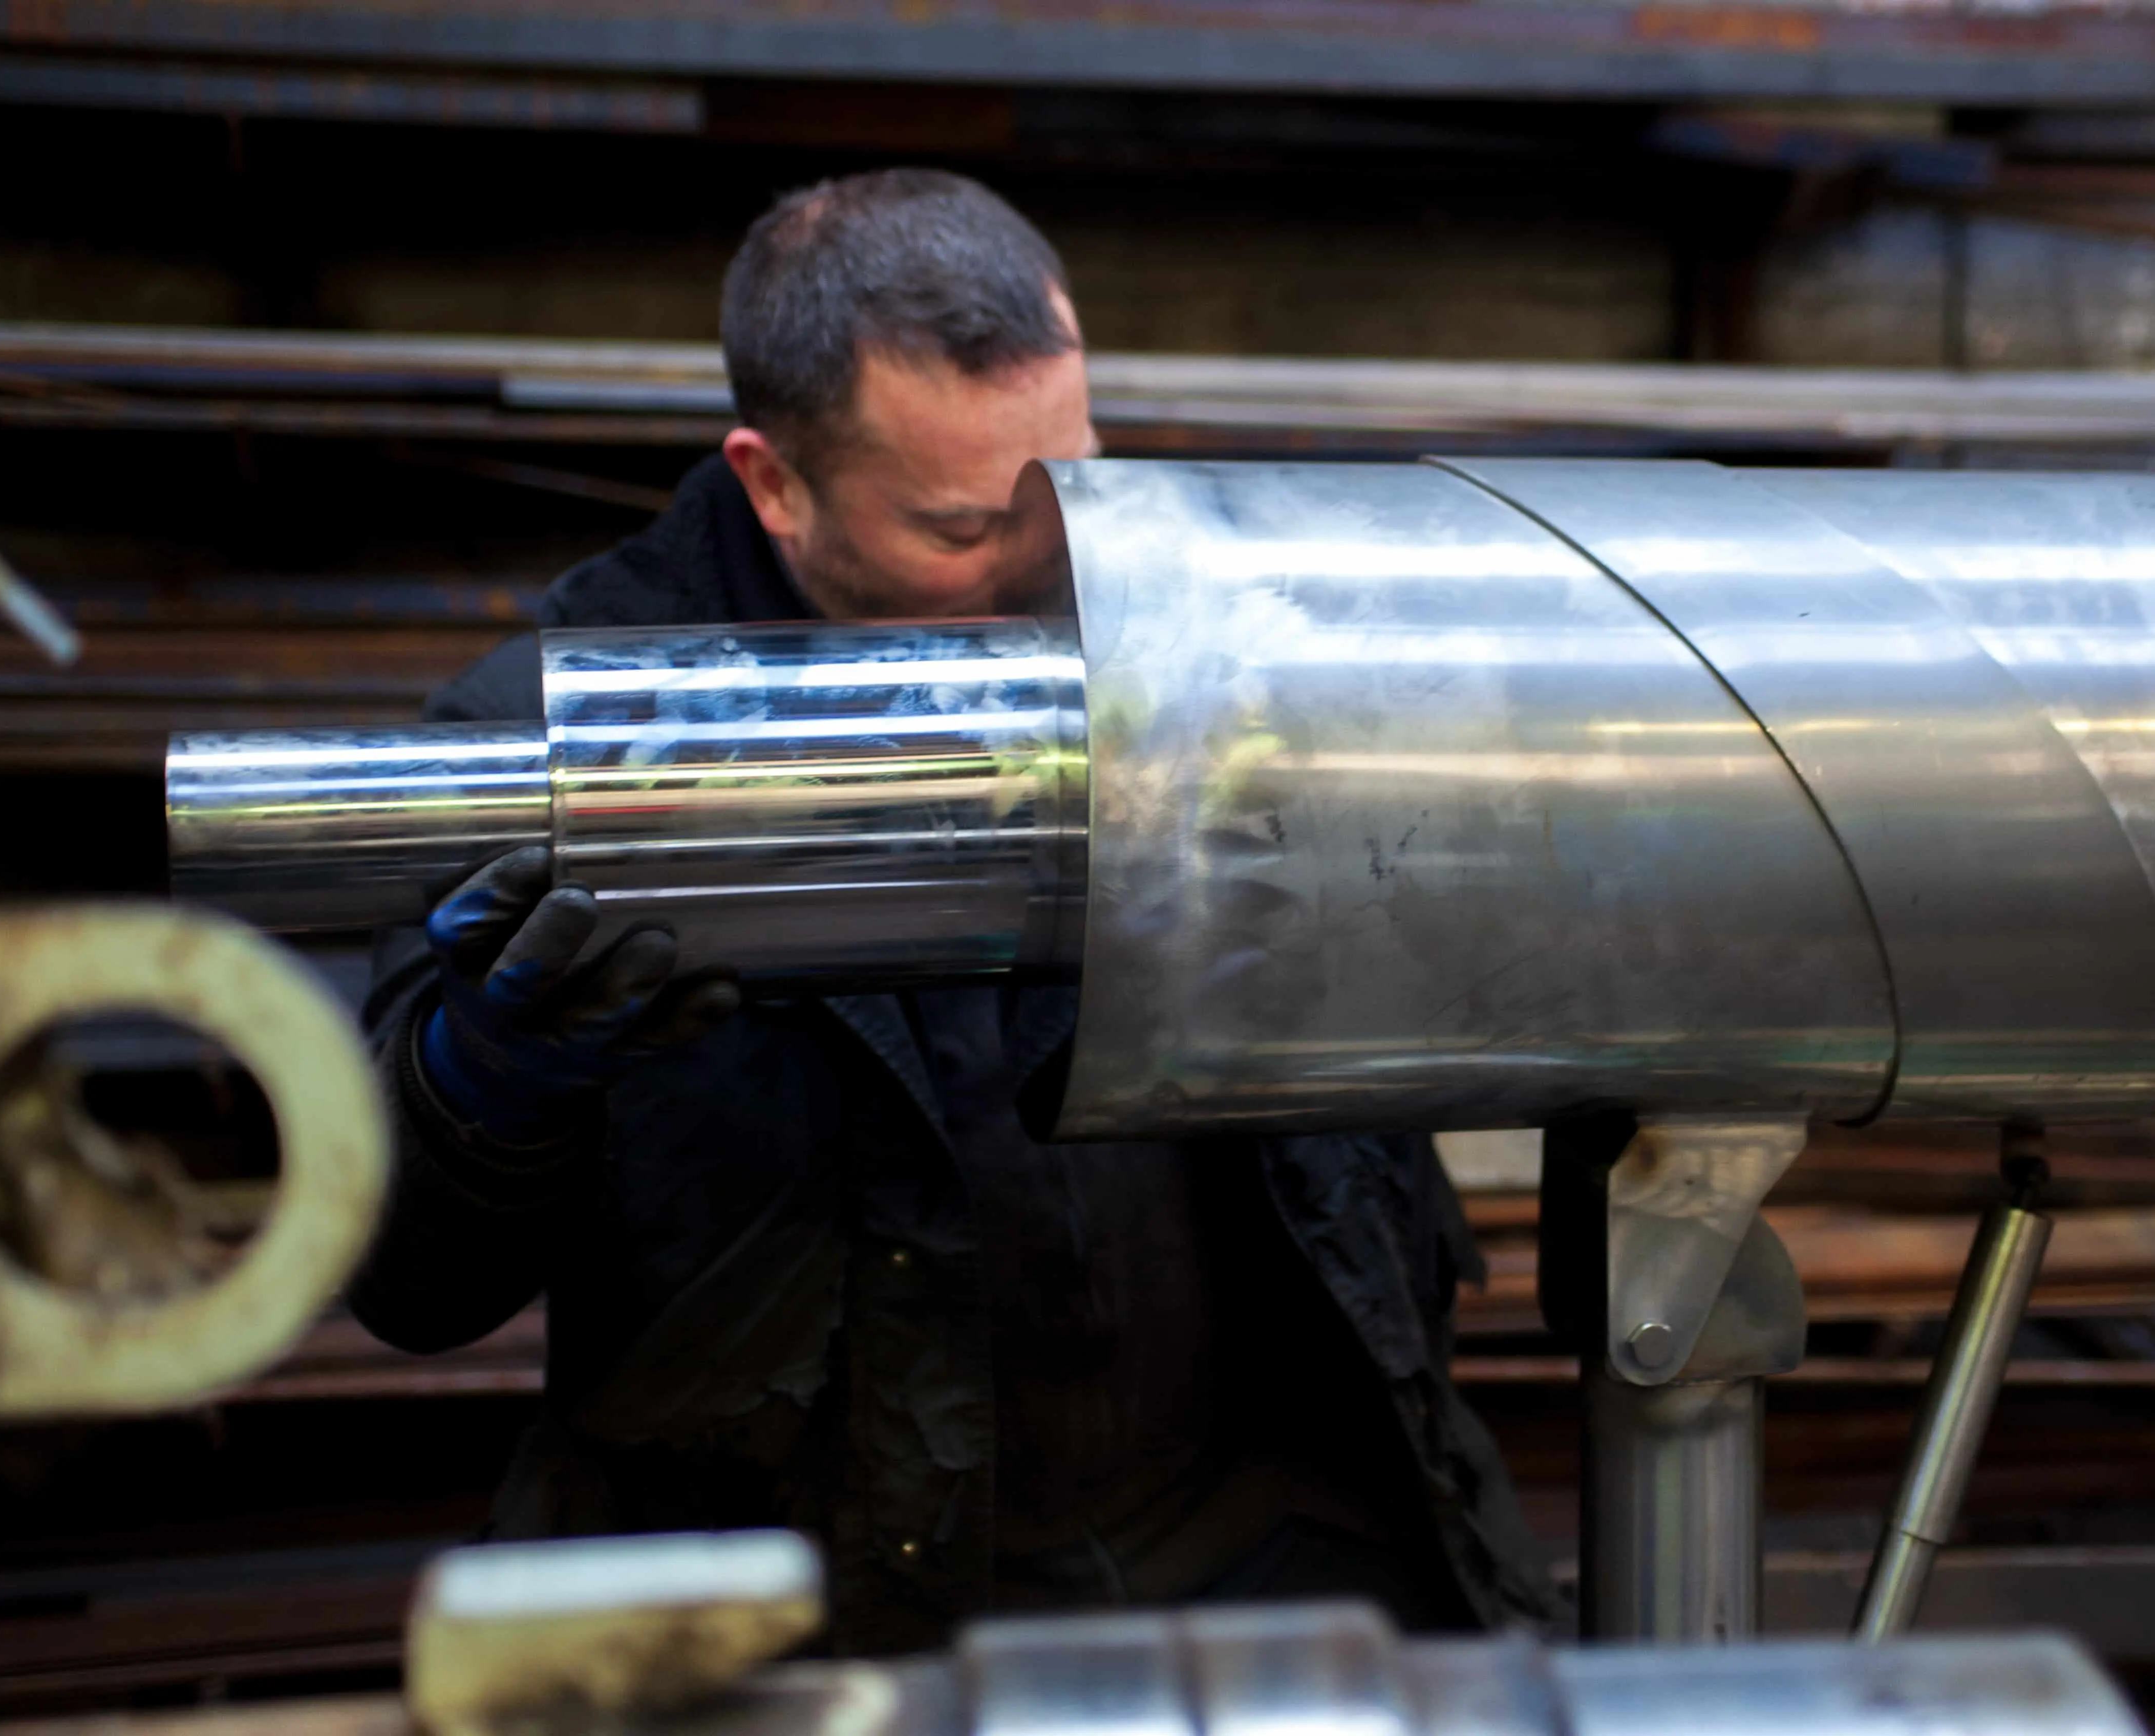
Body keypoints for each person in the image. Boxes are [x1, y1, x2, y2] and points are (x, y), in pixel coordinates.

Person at [347, 169, 1557, 1656]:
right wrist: (483, 1092)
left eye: (1070, 487)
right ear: (773, 482)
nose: (1042, 566)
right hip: (853, 1628)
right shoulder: (567, 744)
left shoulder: (1214, 635)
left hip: (1282, 1569)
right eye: (957, 527)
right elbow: (406, 1278)